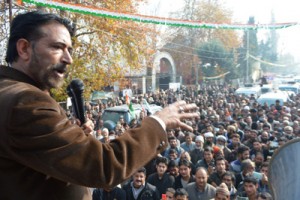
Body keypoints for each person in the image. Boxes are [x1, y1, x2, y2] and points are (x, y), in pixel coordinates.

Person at [0, 11, 199, 200]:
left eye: (69, 49)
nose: (68, 59)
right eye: (57, 47)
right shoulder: (26, 101)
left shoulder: (10, 92)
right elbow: (105, 167)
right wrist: (158, 122)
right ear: (24, 48)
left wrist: (70, 138)